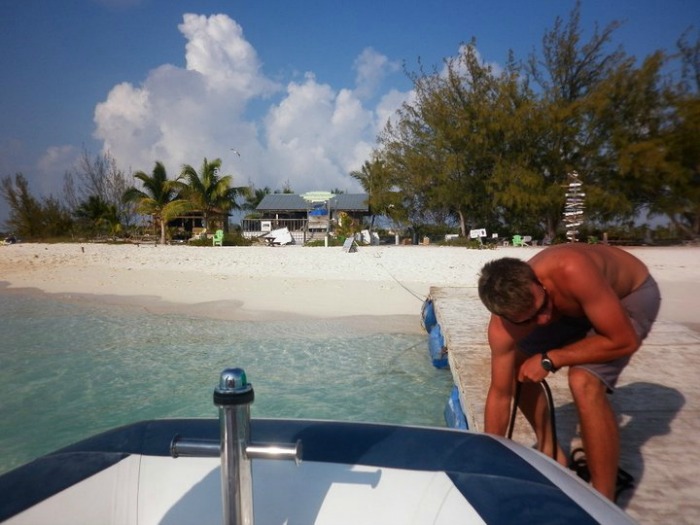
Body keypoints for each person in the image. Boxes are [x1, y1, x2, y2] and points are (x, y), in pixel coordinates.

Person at [477, 244, 660, 501]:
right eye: (527, 320)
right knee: (518, 367)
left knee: (583, 380)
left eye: (542, 306)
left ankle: (602, 501)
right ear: (505, 317)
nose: (541, 320)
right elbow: (500, 395)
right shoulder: (502, 328)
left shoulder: (571, 268)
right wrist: (486, 462)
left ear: (538, 281)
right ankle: (552, 450)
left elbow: (623, 340)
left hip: (629, 294)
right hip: (573, 307)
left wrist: (552, 358)